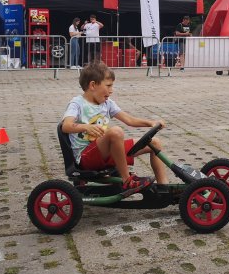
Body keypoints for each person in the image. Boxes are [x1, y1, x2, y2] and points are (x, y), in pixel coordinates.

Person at [61, 61, 168, 196]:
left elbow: (129, 120)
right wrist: (86, 127)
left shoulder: (107, 103)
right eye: (109, 85)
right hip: (86, 157)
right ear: (93, 85)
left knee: (155, 143)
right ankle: (127, 180)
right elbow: (66, 126)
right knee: (116, 132)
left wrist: (151, 123)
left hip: (105, 152)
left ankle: (164, 188)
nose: (111, 90)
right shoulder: (77, 103)